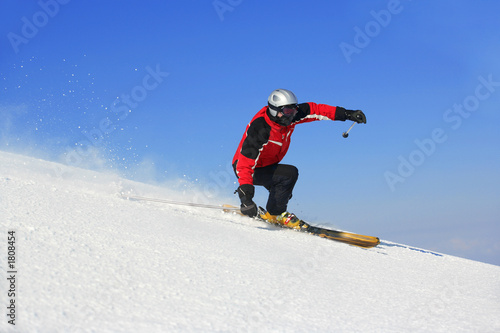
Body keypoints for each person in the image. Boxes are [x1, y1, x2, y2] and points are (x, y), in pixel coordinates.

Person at [232, 89, 366, 228]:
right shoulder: (260, 129)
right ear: (274, 110)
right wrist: (246, 197)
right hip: (246, 168)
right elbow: (245, 164)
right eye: (288, 111)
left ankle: (275, 210)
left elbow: (316, 110)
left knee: (284, 192)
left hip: (266, 165)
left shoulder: (289, 116)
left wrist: (347, 114)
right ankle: (276, 214)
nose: (292, 114)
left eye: (294, 110)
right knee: (289, 175)